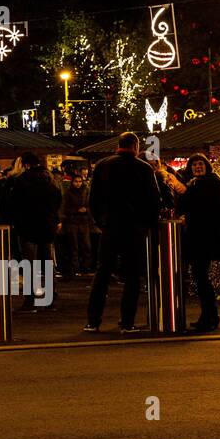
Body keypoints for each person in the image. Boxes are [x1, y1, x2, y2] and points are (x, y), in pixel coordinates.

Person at [84, 132, 161, 333]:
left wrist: (100, 222)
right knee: (133, 276)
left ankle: (93, 321)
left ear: (118, 145)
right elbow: (154, 201)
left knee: (102, 273)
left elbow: (93, 199)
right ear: (135, 146)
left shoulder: (102, 165)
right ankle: (127, 322)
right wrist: (147, 224)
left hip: (110, 226)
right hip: (134, 228)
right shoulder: (143, 168)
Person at [3, 152, 61, 308]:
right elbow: (57, 200)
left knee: (29, 263)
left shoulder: (21, 180)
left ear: (25, 164)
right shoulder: (51, 180)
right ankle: (50, 296)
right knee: (47, 263)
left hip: (28, 226)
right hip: (47, 225)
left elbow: (13, 203)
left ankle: (30, 299)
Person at [177, 154, 220, 331]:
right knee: (200, 277)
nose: (198, 167)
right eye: (195, 164)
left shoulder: (211, 182)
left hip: (204, 238)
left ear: (207, 165)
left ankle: (211, 315)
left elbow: (201, 206)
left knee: (202, 277)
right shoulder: (194, 183)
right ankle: (207, 314)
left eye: (201, 164)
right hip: (197, 237)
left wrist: (187, 214)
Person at [58, 170, 93, 279]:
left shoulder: (86, 192)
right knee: (74, 246)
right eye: (76, 181)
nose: (78, 183)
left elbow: (90, 204)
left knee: (86, 246)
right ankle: (76, 268)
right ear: (72, 182)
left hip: (84, 221)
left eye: (80, 181)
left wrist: (86, 210)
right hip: (72, 222)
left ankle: (86, 268)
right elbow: (64, 207)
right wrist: (76, 210)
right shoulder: (68, 193)